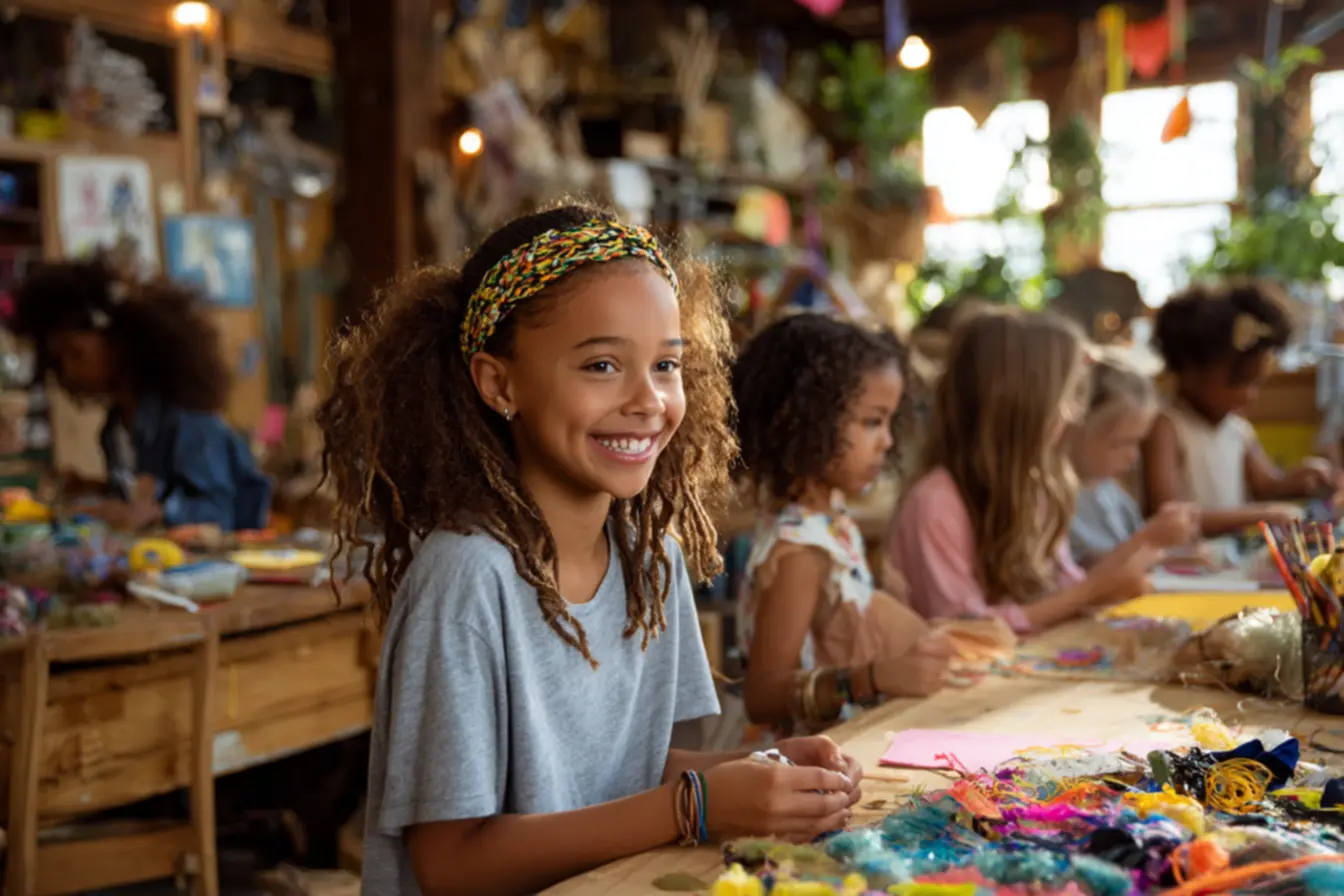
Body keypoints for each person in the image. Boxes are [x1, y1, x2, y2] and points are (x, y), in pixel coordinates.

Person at [318, 205, 863, 896]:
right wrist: (693, 806)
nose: (649, 400)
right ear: (500, 384)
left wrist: (761, 771)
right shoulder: (467, 578)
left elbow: (625, 774)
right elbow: (451, 864)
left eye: (666, 364)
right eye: (602, 365)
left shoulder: (648, 559)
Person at [730, 313, 952, 737]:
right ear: (805, 421)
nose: (886, 441)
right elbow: (762, 694)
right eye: (871, 421)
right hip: (812, 767)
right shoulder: (799, 551)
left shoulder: (828, 522)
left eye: (889, 421)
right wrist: (874, 676)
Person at [887, 308, 1155, 634]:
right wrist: (1090, 591)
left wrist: (1107, 586)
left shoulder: (1040, 487)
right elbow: (967, 628)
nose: (1073, 415)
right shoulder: (936, 502)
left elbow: (1063, 585)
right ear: (1022, 406)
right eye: (1065, 397)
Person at [11, 257, 270, 531]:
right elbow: (142, 491)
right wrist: (95, 490)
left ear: (119, 342)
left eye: (76, 353)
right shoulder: (113, 429)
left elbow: (218, 513)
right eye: (58, 361)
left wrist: (155, 513)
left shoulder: (188, 419)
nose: (68, 371)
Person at [1143, 282, 1340, 536]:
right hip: (1182, 567)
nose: (1249, 395)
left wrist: (1305, 478)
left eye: (1256, 383)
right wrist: (1262, 514)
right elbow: (1169, 514)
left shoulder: (1236, 428)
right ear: (1188, 369)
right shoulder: (1168, 425)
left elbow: (1268, 485)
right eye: (1237, 382)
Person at [1069, 350, 1200, 568]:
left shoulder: (1114, 495)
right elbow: (1083, 570)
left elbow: (1132, 557)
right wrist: (1152, 538)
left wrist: (1176, 553)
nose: (1134, 456)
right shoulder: (1059, 503)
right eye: (1120, 443)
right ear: (1073, 433)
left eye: (1138, 442)